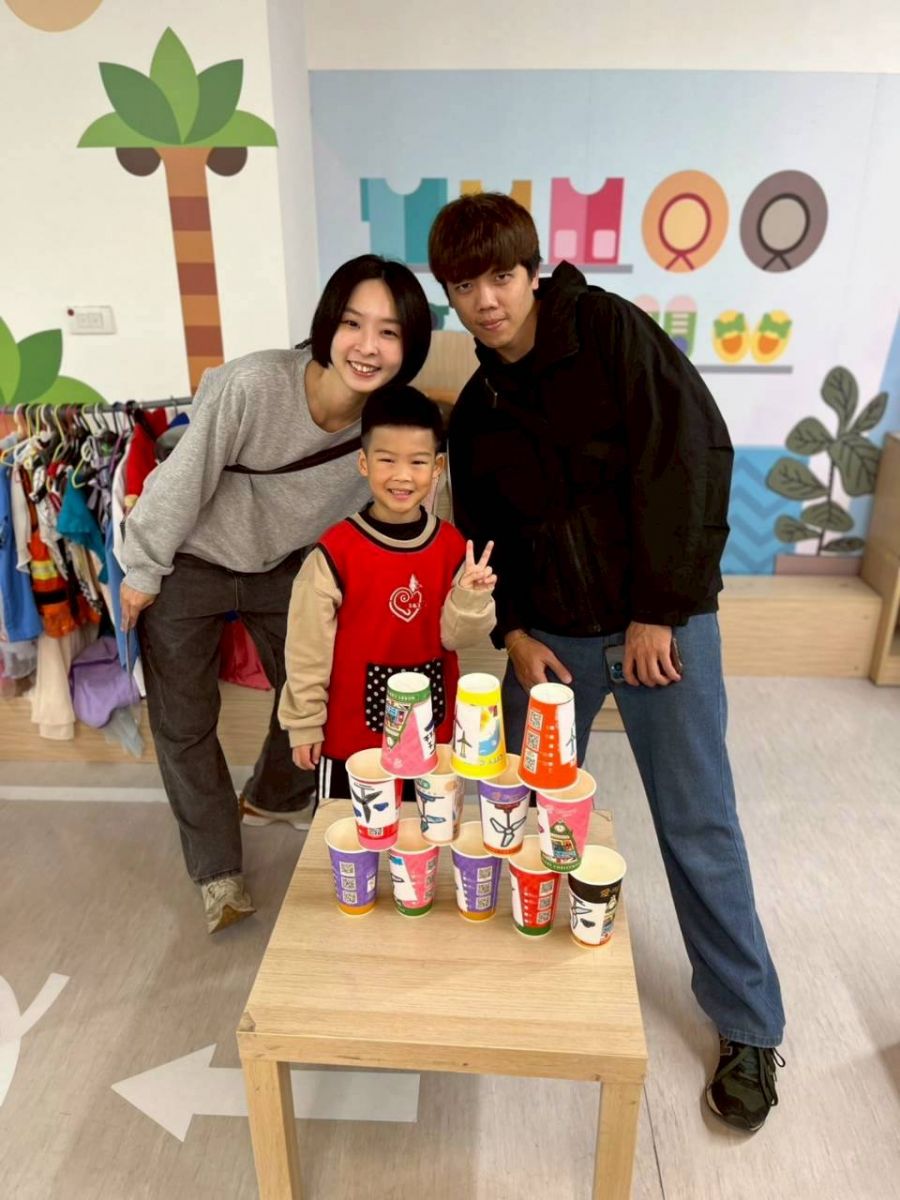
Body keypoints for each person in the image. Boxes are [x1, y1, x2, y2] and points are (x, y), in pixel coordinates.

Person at [428, 192, 785, 1133]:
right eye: (465, 286)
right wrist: (512, 633)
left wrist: (659, 610)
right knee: (514, 811)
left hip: (657, 628)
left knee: (697, 821)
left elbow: (690, 458)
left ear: (531, 272)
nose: (487, 301)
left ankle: (749, 1025)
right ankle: (522, 979)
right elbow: (483, 533)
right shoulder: (478, 410)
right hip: (551, 642)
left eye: (502, 276)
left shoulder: (611, 334)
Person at [120, 255, 432, 933]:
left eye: (389, 332)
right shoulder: (254, 384)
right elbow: (184, 477)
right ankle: (218, 873)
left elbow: (410, 503)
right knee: (183, 721)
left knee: (323, 690)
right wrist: (141, 570)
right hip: (191, 558)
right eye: (353, 324)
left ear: (409, 346)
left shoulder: (389, 422)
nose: (367, 346)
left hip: (283, 563)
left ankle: (271, 794)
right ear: (327, 325)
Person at [278, 385, 496, 799]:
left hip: (433, 736)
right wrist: (304, 722)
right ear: (363, 463)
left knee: (428, 829)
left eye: (417, 462)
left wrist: (471, 598)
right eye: (387, 460)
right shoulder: (335, 551)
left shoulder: (451, 545)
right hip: (350, 742)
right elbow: (307, 649)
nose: (402, 476)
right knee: (351, 831)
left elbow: (457, 637)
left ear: (437, 467)